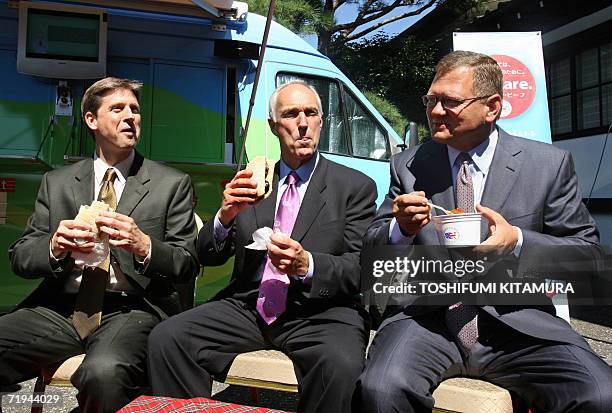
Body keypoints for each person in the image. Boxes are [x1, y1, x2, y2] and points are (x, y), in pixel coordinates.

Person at [356, 51, 612, 412]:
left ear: (492, 107)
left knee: (601, 394)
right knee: (381, 388)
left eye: (450, 102)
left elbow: (588, 261)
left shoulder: (547, 166)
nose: (435, 111)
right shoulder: (409, 165)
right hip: (428, 320)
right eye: (431, 99)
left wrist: (518, 243)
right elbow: (372, 253)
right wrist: (400, 230)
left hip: (520, 324)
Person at [148, 80, 377, 413]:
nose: (302, 123)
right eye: (291, 114)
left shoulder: (354, 187)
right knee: (168, 338)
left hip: (322, 313)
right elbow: (207, 255)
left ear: (322, 121)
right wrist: (225, 217)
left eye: (311, 113)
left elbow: (360, 270)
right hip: (250, 305)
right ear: (273, 125)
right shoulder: (254, 181)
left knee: (340, 366)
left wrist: (307, 264)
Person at [2, 77, 199, 413]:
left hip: (131, 308)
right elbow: (20, 255)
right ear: (91, 121)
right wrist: (55, 245)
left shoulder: (170, 184)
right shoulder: (58, 182)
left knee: (102, 372)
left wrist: (144, 245)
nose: (130, 117)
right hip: (61, 308)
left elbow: (187, 261)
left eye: (135, 110)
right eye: (118, 109)